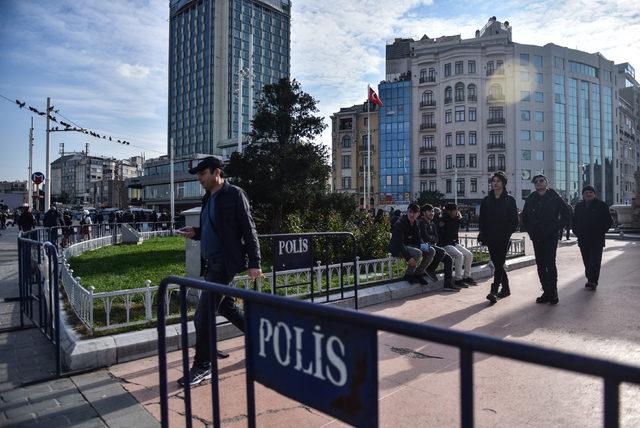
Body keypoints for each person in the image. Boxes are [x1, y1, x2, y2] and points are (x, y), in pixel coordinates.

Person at [177, 156, 262, 387]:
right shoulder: (208, 198)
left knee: (202, 316)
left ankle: (203, 367)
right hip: (211, 263)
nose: (199, 179)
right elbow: (212, 228)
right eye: (198, 175)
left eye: (203, 174)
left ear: (217, 172)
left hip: (225, 263)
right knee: (226, 306)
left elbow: (248, 228)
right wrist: (195, 231)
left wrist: (255, 262)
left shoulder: (234, 194)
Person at [522, 174, 572, 304]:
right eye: (536, 182)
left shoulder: (555, 197)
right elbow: (525, 217)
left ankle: (553, 292)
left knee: (550, 263)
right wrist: (531, 231)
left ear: (546, 182)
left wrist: (557, 228)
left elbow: (567, 215)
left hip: (550, 236)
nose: (538, 183)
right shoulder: (531, 198)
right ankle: (546, 291)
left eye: (541, 181)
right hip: (537, 237)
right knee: (540, 264)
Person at [479, 172, 519, 304]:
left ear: (503, 183)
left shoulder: (510, 200)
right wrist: (483, 233)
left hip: (503, 237)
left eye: (498, 181)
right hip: (490, 237)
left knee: (498, 263)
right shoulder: (486, 200)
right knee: (498, 263)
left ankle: (494, 291)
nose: (495, 183)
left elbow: (514, 221)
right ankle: (506, 289)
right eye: (493, 181)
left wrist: (507, 233)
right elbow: (482, 219)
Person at [572, 185, 613, 290]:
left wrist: (601, 232)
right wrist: (577, 233)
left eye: (591, 192)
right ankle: (590, 279)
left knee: (595, 261)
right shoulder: (579, 206)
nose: (588, 194)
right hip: (583, 239)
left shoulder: (602, 205)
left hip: (597, 239)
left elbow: (609, 222)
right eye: (586, 193)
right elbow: (574, 221)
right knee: (586, 260)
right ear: (583, 195)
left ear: (594, 194)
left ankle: (593, 281)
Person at [389, 203, 436, 285]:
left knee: (431, 250)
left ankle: (418, 274)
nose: (412, 214)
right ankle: (409, 275)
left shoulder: (416, 223)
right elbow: (399, 243)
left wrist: (423, 245)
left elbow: (418, 238)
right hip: (398, 248)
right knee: (418, 252)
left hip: (410, 246)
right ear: (407, 212)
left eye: (414, 213)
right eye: (410, 212)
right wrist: (408, 258)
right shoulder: (400, 223)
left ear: (418, 214)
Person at [419, 204, 459, 291]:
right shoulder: (421, 222)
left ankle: (447, 284)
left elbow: (436, 237)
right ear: (423, 213)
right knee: (441, 251)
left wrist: (432, 238)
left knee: (449, 259)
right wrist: (432, 238)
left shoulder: (432, 223)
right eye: (429, 211)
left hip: (433, 246)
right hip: (424, 247)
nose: (432, 213)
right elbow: (425, 237)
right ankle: (430, 269)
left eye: (433, 211)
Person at [438, 203, 477, 288]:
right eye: (455, 210)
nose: (457, 211)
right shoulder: (443, 220)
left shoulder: (456, 219)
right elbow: (440, 235)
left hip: (454, 243)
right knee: (459, 255)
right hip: (444, 244)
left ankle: (466, 277)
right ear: (449, 211)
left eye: (457, 210)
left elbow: (457, 230)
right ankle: (458, 279)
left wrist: (459, 217)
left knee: (469, 254)